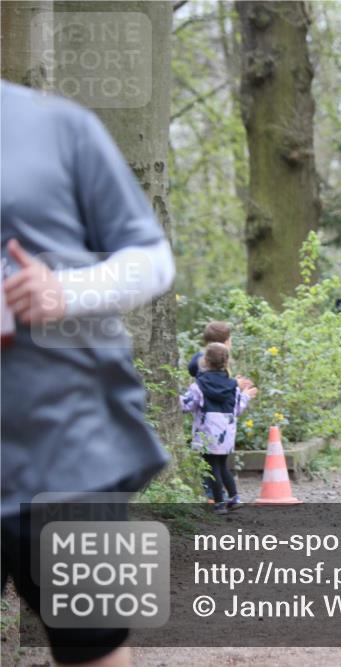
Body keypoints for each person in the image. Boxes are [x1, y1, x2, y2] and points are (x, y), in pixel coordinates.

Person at [1, 80, 175, 666]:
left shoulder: (57, 126)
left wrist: (64, 289)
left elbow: (151, 259)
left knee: (93, 645)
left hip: (69, 445)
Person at [180, 342, 257, 515]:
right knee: (222, 464)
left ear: (205, 361)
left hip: (207, 431)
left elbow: (187, 405)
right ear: (226, 362)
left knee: (211, 467)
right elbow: (237, 409)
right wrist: (246, 395)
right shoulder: (233, 385)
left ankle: (219, 503)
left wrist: (170, 396)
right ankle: (234, 497)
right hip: (226, 432)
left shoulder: (199, 385)